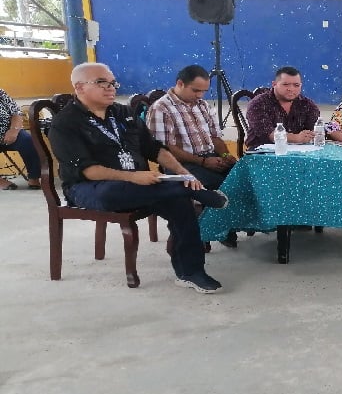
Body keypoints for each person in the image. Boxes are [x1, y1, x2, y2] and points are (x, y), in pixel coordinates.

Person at [48, 62, 228, 294]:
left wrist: (185, 174)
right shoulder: (65, 124)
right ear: (79, 87)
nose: (110, 88)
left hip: (143, 185)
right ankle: (191, 191)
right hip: (92, 186)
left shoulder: (123, 114)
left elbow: (156, 150)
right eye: (101, 82)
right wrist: (133, 177)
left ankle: (190, 272)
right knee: (112, 193)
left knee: (179, 202)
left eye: (113, 83)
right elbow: (88, 171)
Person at [146, 64, 238, 247]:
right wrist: (204, 162)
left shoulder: (202, 105)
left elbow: (215, 137)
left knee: (241, 176)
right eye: (196, 90)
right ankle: (206, 230)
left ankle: (224, 226)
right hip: (179, 165)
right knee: (217, 184)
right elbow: (165, 150)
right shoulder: (161, 108)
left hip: (209, 158)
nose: (199, 95)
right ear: (180, 83)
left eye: (203, 91)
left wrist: (226, 155)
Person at [245, 66, 320, 150]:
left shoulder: (308, 105)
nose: (291, 89)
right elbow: (268, 134)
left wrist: (311, 135)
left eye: (296, 85)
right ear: (274, 84)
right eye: (285, 84)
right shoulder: (258, 104)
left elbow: (315, 130)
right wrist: (296, 138)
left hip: (299, 153)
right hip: (262, 153)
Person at [0, 88, 41, 190]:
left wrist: (14, 130)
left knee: (28, 140)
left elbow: (16, 112)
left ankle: (34, 177)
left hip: (8, 131)